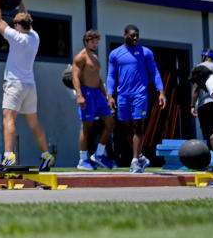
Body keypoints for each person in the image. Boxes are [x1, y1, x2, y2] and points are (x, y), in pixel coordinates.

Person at [0, 0, 55, 171]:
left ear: (19, 26)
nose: (12, 26)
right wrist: (20, 1)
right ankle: (46, 155)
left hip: (15, 85)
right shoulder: (34, 37)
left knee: (8, 118)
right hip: (30, 86)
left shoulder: (15, 37)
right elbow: (27, 18)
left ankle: (8, 156)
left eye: (15, 24)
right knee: (34, 122)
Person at [106, 24, 166, 173]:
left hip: (140, 94)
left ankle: (134, 161)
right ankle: (139, 156)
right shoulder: (115, 54)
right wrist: (109, 95)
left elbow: (155, 72)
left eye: (137, 35)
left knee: (139, 125)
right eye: (132, 35)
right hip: (122, 95)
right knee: (128, 128)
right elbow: (111, 76)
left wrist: (161, 92)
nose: (135, 38)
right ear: (125, 35)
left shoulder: (145, 52)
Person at [71, 29, 116, 170]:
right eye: (93, 41)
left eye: (97, 41)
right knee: (87, 127)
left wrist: (108, 96)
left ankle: (99, 155)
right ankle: (83, 160)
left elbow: (99, 78)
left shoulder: (95, 58)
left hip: (98, 93)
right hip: (86, 93)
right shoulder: (80, 57)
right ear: (86, 41)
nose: (95, 43)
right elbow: (75, 77)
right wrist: (79, 95)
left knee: (110, 123)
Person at [191, 49, 213, 146]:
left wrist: (192, 105)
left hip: (206, 104)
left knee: (208, 133)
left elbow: (196, 88)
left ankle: (212, 157)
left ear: (204, 56)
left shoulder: (200, 67)